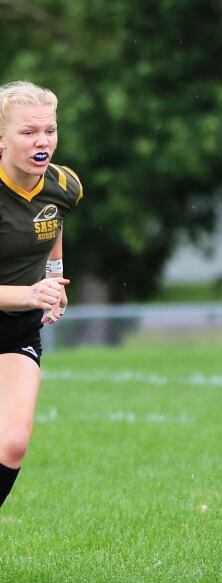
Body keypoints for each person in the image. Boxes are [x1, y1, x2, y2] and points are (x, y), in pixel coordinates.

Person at [0, 80, 83, 510]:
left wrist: (55, 276)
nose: (42, 141)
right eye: (28, 132)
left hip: (15, 331)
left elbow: (52, 221)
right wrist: (30, 293)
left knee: (12, 443)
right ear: (1, 137)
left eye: (49, 130)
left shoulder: (64, 184)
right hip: (19, 305)